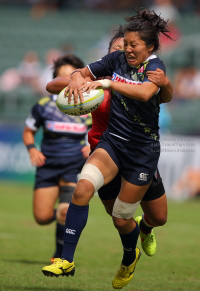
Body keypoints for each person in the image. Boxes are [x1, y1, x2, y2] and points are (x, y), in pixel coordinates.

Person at [42, 8, 173, 289]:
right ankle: (66, 259)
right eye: (124, 44)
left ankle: (132, 251)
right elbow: (81, 72)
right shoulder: (115, 59)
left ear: (149, 47)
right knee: (82, 188)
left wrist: (107, 82)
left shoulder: (154, 66)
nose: (126, 50)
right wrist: (77, 76)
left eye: (132, 45)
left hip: (142, 152)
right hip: (112, 142)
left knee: (128, 218)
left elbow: (148, 92)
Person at [23, 54, 91, 260]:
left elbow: (101, 130)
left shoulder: (89, 105)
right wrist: (32, 149)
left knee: (64, 211)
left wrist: (92, 147)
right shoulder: (44, 105)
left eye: (70, 75)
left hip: (75, 166)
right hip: (48, 165)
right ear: (54, 79)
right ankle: (68, 221)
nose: (66, 81)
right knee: (42, 217)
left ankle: (60, 255)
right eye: (61, 77)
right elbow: (28, 131)